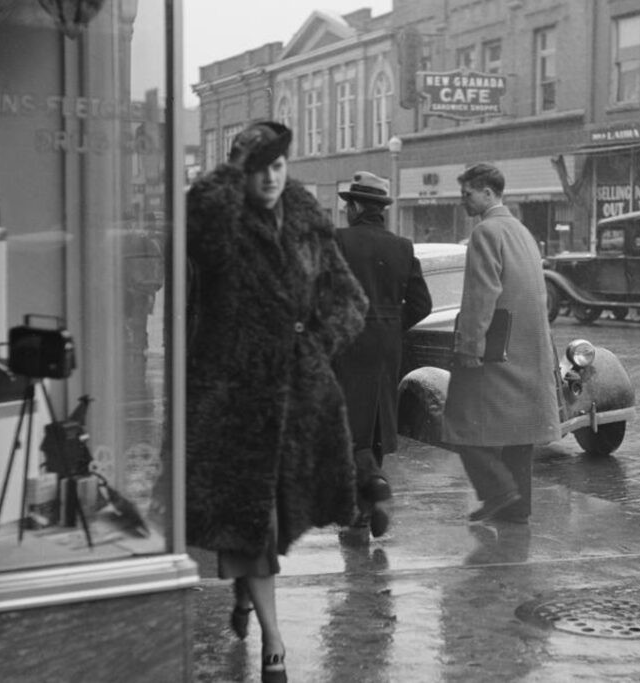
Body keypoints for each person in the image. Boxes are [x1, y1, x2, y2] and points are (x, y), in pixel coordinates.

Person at [185, 121, 367, 683]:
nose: (268, 176)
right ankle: (274, 639)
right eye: (257, 166)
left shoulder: (308, 220)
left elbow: (349, 300)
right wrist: (231, 171)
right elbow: (195, 223)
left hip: (297, 395)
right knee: (254, 521)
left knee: (276, 520)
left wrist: (312, 342)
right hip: (235, 396)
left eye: (277, 164)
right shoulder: (221, 221)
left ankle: (243, 593)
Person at [443, 163, 560, 524]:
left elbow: (482, 296)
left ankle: (498, 491)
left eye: (468, 194)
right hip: (529, 348)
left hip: (494, 350)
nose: (463, 202)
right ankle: (517, 507)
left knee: (458, 422)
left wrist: (470, 346)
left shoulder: (485, 232)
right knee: (519, 432)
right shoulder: (522, 231)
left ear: (488, 193)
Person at [333, 171, 431, 543]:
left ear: (357, 208)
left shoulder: (337, 242)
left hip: (347, 341)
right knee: (375, 422)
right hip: (388, 344)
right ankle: (367, 510)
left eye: (348, 206)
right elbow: (423, 304)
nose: (345, 212)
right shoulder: (403, 247)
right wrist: (389, 323)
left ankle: (366, 503)